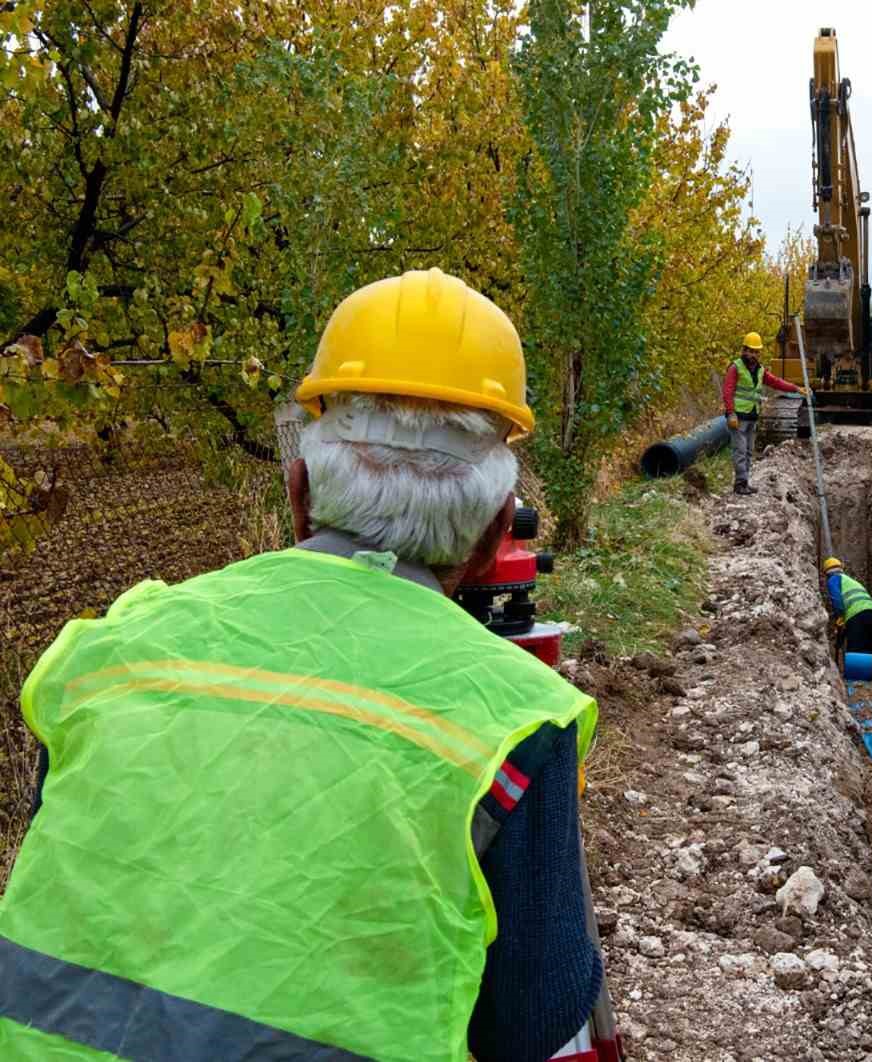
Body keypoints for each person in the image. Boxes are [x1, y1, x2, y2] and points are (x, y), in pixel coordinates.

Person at [1, 269, 604, 1062]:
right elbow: (534, 1019)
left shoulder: (111, 653)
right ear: (495, 536)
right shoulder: (512, 724)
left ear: (299, 491)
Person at [722, 331, 808, 495]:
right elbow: (727, 391)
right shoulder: (735, 368)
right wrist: (731, 413)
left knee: (748, 451)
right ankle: (740, 483)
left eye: (756, 352)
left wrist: (796, 388)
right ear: (744, 350)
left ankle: (744, 481)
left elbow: (776, 382)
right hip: (738, 417)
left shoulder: (760, 370)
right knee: (740, 450)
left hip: (752, 416)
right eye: (751, 351)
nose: (753, 355)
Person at [821, 555, 872, 660]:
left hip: (858, 615)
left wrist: (840, 618)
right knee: (866, 649)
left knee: (855, 650)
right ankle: (865, 675)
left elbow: (837, 601)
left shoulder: (833, 579)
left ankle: (854, 676)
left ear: (827, 573)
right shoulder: (850, 580)